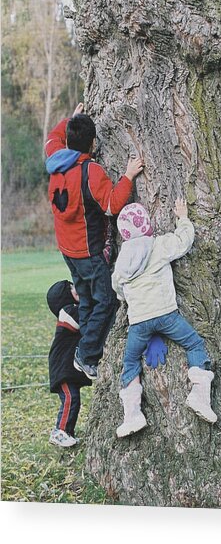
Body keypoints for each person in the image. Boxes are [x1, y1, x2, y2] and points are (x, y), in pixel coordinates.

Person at [45, 103, 144, 380]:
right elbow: (112, 205)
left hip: (67, 250)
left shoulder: (55, 159)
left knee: (87, 299)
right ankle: (87, 355)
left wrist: (72, 118)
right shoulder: (91, 172)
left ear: (67, 138)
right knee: (107, 300)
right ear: (92, 142)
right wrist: (128, 176)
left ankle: (84, 349)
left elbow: (52, 137)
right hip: (88, 252)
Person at [112, 199, 217, 438]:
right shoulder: (158, 245)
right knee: (194, 343)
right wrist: (183, 218)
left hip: (138, 322)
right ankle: (200, 395)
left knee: (130, 362)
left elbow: (117, 285)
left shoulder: (123, 258)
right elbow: (183, 241)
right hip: (166, 315)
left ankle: (132, 415)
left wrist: (125, 298)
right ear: (147, 224)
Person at [47, 280, 91, 447]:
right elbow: (82, 322)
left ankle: (68, 432)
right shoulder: (67, 312)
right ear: (64, 297)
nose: (76, 288)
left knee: (74, 399)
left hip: (68, 367)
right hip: (62, 367)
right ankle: (60, 431)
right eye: (72, 288)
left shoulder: (72, 309)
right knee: (70, 398)